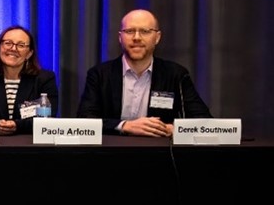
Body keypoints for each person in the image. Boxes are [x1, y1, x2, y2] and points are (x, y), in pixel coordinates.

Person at [76, 8, 212, 135]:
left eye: (145, 31)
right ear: (120, 37)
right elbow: (85, 120)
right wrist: (124, 126)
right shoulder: (100, 74)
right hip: (111, 154)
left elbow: (204, 121)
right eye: (129, 31)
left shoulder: (175, 74)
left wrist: (174, 129)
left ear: (157, 37)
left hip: (160, 155)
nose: (136, 38)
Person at [0, 25, 59, 134]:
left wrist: (17, 125)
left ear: (29, 53)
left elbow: (48, 117)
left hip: (31, 145)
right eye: (8, 43)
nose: (13, 49)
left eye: (21, 45)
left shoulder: (45, 79)